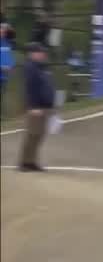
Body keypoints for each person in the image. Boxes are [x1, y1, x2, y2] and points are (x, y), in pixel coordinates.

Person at [19, 43, 56, 172]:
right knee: (32, 135)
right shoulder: (30, 67)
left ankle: (32, 161)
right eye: (39, 52)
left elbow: (47, 86)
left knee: (39, 135)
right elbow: (31, 89)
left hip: (44, 106)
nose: (43, 54)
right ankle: (24, 163)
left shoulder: (41, 67)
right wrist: (33, 107)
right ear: (32, 54)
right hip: (36, 107)